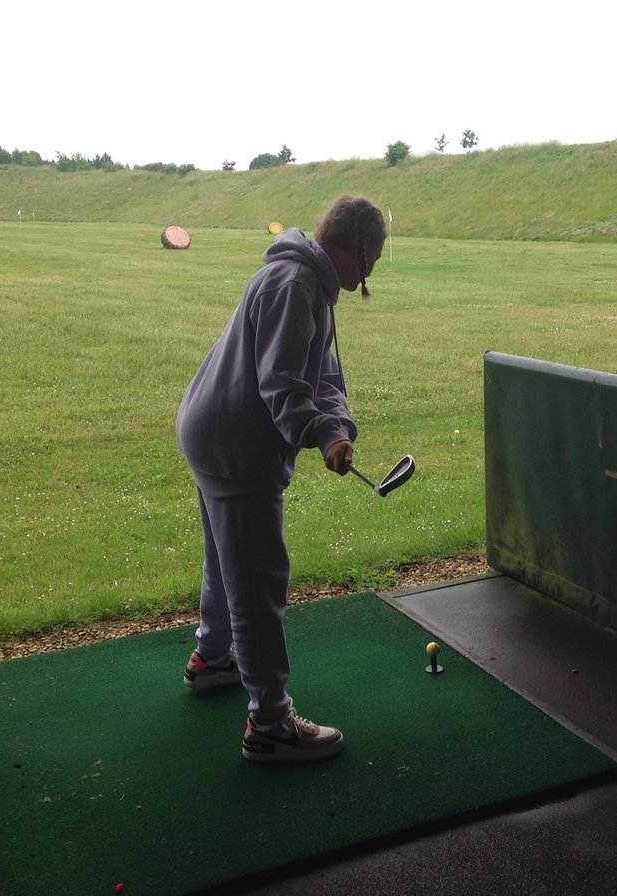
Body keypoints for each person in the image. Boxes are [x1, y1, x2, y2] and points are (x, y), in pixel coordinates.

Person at [176, 195, 388, 762]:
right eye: (375, 257)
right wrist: (319, 434)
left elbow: (323, 374)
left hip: (217, 429)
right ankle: (269, 722)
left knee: (228, 560)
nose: (373, 271)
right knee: (258, 580)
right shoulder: (294, 285)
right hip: (234, 442)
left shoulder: (313, 283)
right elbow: (283, 388)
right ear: (360, 247)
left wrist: (337, 428)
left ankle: (213, 656)